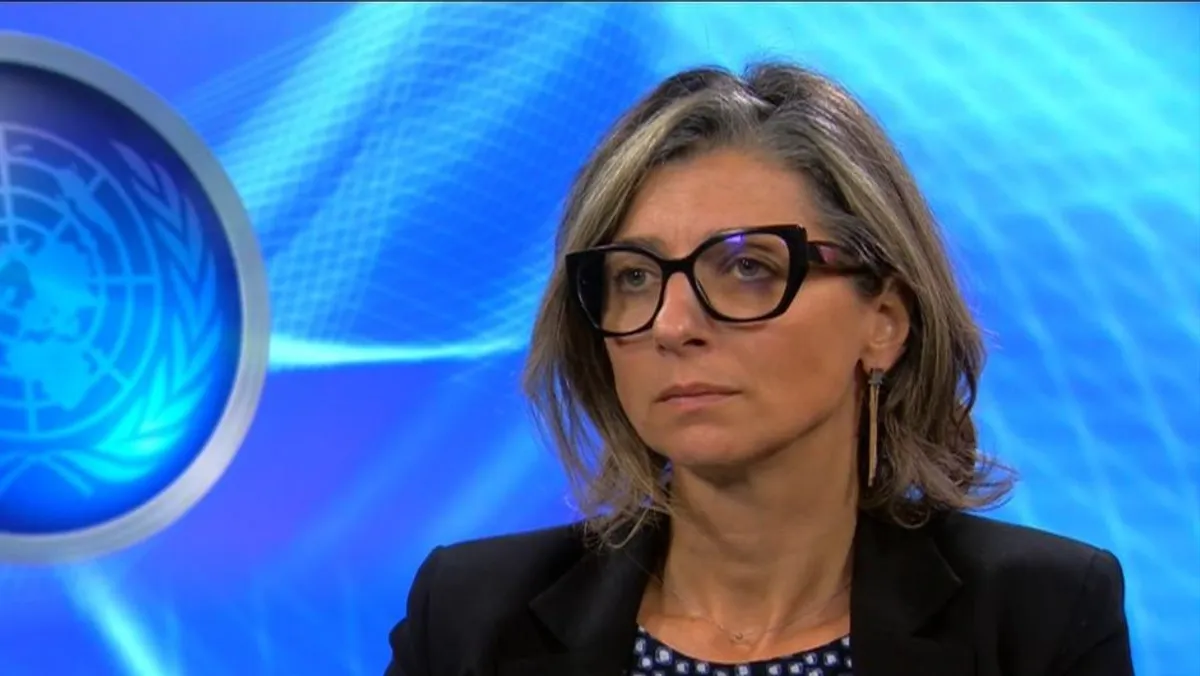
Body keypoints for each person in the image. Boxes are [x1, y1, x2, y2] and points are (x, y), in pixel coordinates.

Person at [384, 63, 1134, 676]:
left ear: (884, 321)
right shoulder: (470, 618)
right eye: (635, 277)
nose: (673, 326)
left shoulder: (1040, 617)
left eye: (747, 267)